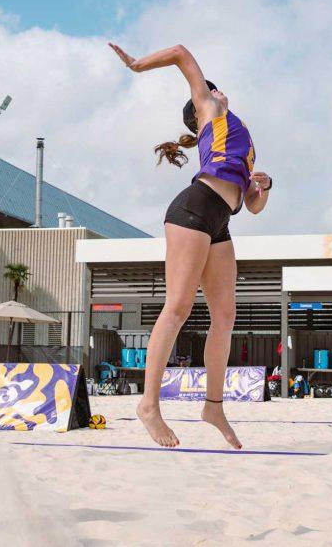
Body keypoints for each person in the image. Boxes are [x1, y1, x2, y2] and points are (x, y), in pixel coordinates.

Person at [110, 42, 272, 450]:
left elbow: (252, 207)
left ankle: (213, 406)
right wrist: (136, 65)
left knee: (226, 316)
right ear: (202, 106)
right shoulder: (213, 113)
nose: (217, 92)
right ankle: (149, 405)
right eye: (211, 91)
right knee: (178, 306)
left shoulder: (242, 143)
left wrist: (264, 187)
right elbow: (182, 53)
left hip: (221, 218)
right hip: (194, 209)